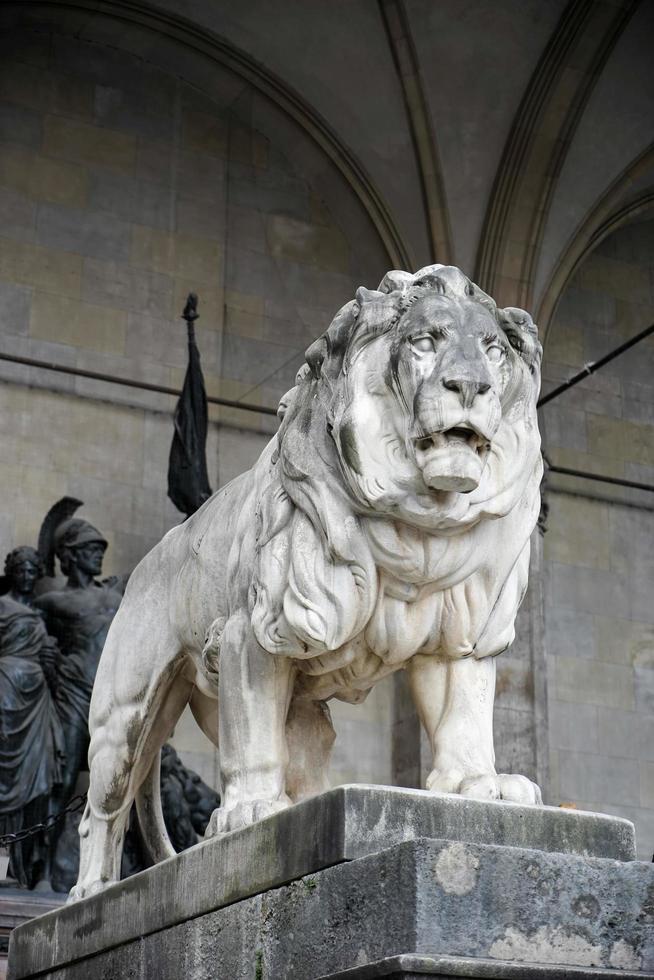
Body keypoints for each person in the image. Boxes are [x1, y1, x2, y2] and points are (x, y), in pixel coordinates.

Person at [36, 519, 124, 807]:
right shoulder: (52, 602)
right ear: (70, 555)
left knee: (122, 777)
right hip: (72, 695)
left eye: (101, 549)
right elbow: (27, 639)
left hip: (113, 697)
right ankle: (42, 847)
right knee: (63, 775)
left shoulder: (115, 595)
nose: (99, 555)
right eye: (91, 549)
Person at [0, 547, 64, 888]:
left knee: (36, 781)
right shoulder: (2, 606)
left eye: (32, 570)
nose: (27, 575)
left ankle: (20, 868)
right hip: (7, 690)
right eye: (21, 569)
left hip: (38, 697)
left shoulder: (40, 611)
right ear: (10, 571)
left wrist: (50, 660)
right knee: (5, 777)